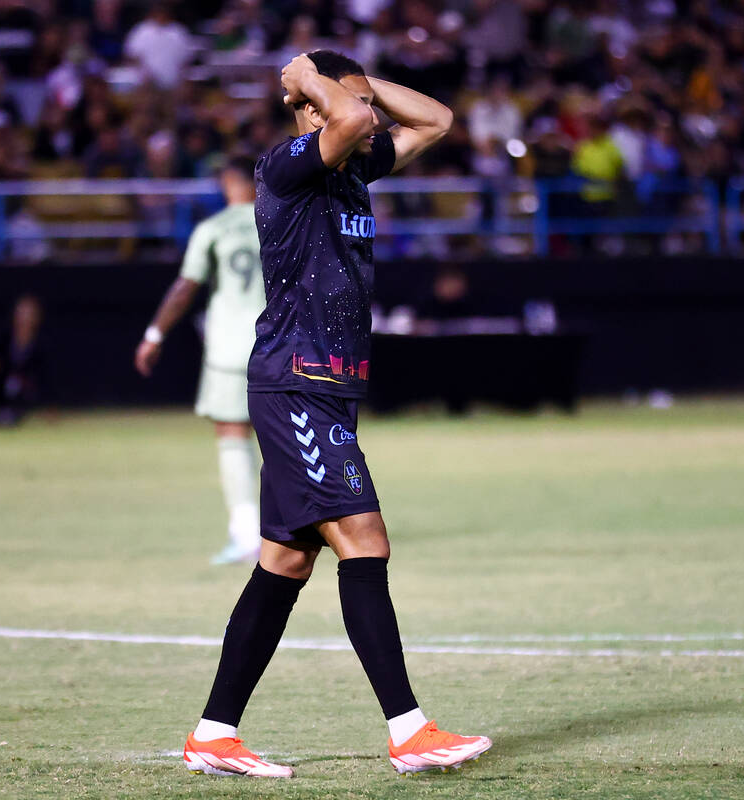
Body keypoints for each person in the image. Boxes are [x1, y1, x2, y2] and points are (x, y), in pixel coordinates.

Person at [181, 50, 491, 779]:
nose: (371, 117)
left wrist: (357, 83)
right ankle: (409, 730)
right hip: (296, 384)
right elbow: (350, 116)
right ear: (311, 110)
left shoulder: (354, 164)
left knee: (284, 563)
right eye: (348, 104)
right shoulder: (288, 165)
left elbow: (438, 121)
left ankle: (213, 734)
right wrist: (310, 80)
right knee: (365, 539)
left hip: (326, 389)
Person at [134, 157, 267, 566]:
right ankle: (309, 527)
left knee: (232, 433)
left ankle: (247, 536)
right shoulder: (283, 224)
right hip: (279, 345)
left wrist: (154, 334)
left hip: (229, 347)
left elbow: (185, 287)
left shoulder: (213, 228)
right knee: (289, 438)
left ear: (227, 182)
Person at [0, 294, 48, 424]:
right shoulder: (1, 337)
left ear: (37, 317)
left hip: (25, 399)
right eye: (22, 313)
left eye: (29, 314)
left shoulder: (41, 345)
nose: (25, 318)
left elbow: (44, 379)